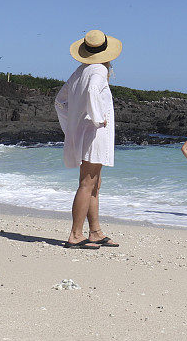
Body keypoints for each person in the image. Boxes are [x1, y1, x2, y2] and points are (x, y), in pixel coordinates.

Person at [54, 29, 122, 249]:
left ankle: (95, 231)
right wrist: (96, 118)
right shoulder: (98, 71)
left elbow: (59, 101)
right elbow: (93, 91)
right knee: (87, 183)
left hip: (85, 132)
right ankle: (75, 234)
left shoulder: (81, 71)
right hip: (95, 133)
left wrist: (72, 124)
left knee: (94, 183)